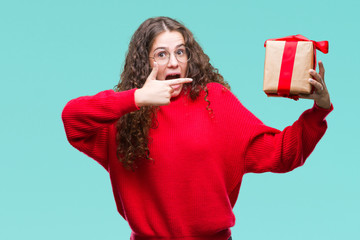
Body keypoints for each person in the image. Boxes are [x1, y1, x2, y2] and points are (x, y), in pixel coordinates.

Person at [62, 16, 333, 240]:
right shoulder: (125, 115)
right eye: (161, 54)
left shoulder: (214, 100)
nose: (173, 62)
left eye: (180, 51)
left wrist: (318, 111)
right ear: (145, 61)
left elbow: (281, 153)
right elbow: (72, 119)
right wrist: (136, 99)